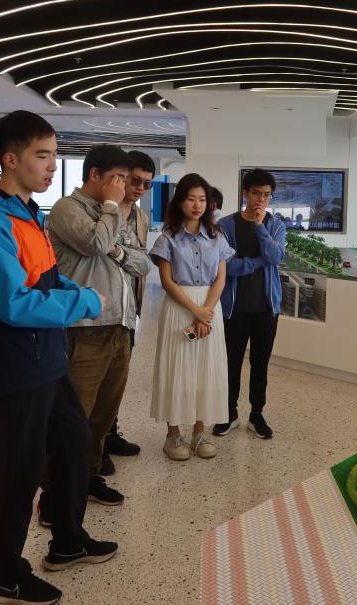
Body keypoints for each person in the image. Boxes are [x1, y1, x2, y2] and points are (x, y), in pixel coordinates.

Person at [0, 111, 116, 605]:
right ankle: (5, 576)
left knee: (73, 442)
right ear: (11, 159)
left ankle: (68, 541)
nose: (52, 165)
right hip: (18, 366)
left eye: (54, 155)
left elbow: (46, 276)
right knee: (20, 471)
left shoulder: (28, 211)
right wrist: (85, 302)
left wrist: (75, 289)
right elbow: (13, 303)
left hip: (48, 358)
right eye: (42, 155)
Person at [46, 144, 152, 512]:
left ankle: (88, 477)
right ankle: (55, 493)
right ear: (95, 175)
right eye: (118, 178)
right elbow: (95, 243)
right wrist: (110, 210)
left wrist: (117, 251)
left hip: (120, 326)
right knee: (74, 416)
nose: (124, 186)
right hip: (84, 328)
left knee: (103, 415)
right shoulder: (68, 209)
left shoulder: (113, 215)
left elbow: (143, 264)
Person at [149, 174, 234, 461]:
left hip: (210, 307)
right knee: (177, 368)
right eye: (190, 199)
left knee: (207, 368)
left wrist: (205, 312)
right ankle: (173, 435)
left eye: (202, 199)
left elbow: (221, 278)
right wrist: (195, 311)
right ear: (179, 202)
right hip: (180, 306)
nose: (197, 205)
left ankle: (199, 433)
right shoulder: (168, 238)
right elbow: (167, 281)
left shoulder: (218, 236)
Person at [214, 169, 286, 439]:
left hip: (266, 309)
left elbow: (276, 257)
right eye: (257, 193)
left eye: (267, 195)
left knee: (260, 364)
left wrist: (259, 228)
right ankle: (229, 412)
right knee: (231, 363)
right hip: (234, 308)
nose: (262, 200)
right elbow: (226, 266)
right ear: (245, 193)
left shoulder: (275, 225)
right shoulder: (226, 225)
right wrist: (258, 261)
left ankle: (257, 414)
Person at [98, 150, 157, 475]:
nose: (140, 188)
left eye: (147, 184)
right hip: (100, 307)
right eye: (135, 181)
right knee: (98, 379)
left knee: (117, 378)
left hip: (130, 307)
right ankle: (95, 444)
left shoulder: (141, 217)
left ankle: (110, 433)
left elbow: (142, 263)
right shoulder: (102, 210)